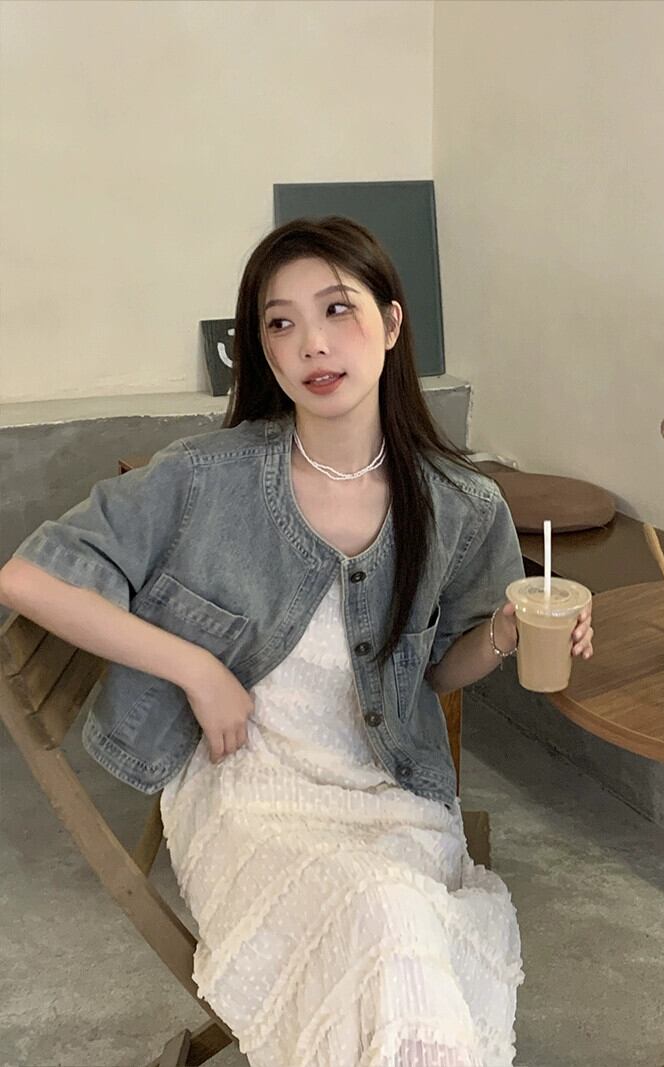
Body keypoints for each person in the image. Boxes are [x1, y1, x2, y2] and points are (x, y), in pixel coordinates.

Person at [0, 216, 594, 1066]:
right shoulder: (206, 477)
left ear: (391, 324)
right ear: (265, 354)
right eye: (281, 323)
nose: (313, 341)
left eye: (337, 309)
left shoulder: (459, 502)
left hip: (391, 794)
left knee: (393, 924)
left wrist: (501, 633)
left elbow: (440, 669)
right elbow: (25, 577)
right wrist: (195, 667)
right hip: (249, 797)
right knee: (385, 919)